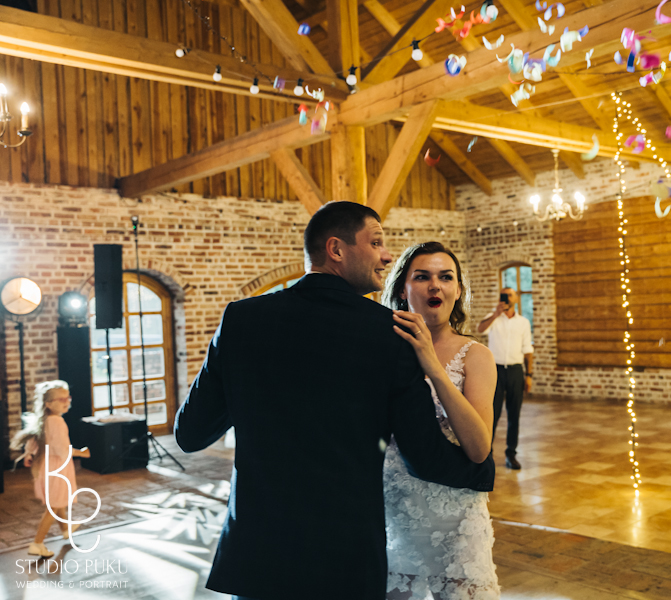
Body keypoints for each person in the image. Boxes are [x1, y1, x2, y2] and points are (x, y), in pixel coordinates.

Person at [174, 201, 494, 600]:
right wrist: (479, 472)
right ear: (336, 249)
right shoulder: (389, 334)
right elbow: (424, 456)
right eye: (375, 242)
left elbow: (190, 434)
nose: (387, 256)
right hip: (346, 555)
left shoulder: (242, 318)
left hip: (259, 551)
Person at [381, 241, 500, 599]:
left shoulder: (475, 356)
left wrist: (433, 366)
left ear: (458, 290)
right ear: (403, 289)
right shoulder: (382, 351)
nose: (435, 285)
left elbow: (479, 449)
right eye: (422, 277)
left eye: (446, 277)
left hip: (456, 517)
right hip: (394, 513)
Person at [9, 380, 90, 558]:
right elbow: (61, 449)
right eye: (61, 399)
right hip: (58, 468)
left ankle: (66, 529)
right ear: (48, 404)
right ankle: (37, 543)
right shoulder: (57, 422)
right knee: (54, 506)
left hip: (48, 467)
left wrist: (29, 454)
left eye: (68, 397)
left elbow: (35, 439)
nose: (66, 402)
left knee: (56, 500)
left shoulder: (44, 420)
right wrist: (81, 453)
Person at [477, 287, 534, 470]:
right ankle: (487, 454)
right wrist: (495, 314)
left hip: (516, 370)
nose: (507, 298)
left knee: (514, 414)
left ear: (516, 299)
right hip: (496, 370)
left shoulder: (523, 322)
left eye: (510, 295)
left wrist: (529, 375)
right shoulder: (493, 318)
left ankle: (511, 454)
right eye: (504, 295)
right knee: (492, 413)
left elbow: (528, 350)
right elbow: (480, 329)